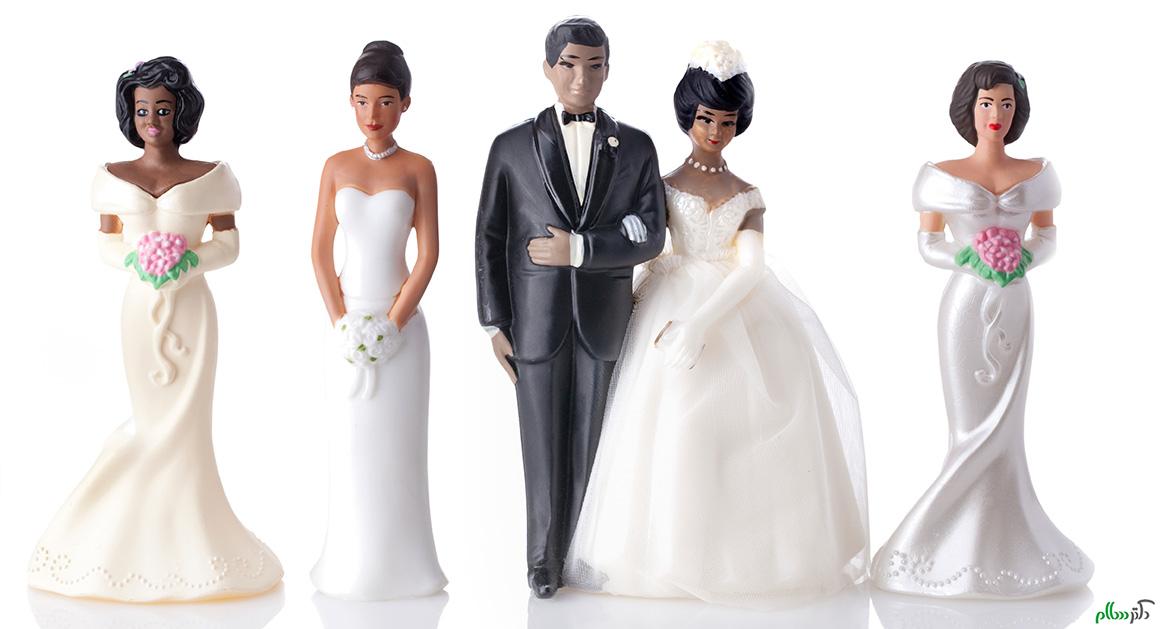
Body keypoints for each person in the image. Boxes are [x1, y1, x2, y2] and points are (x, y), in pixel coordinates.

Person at [563, 42, 869, 607]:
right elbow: (647, 248)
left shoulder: (746, 195)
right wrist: (628, 299)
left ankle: (749, 557)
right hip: (667, 302)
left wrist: (700, 322)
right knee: (672, 425)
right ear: (689, 116)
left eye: (727, 122)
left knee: (739, 427)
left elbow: (750, 268)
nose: (716, 132)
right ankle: (664, 554)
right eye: (706, 119)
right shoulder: (659, 184)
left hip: (732, 311)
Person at [27, 56, 283, 602]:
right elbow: (105, 241)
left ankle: (191, 539)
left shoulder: (213, 177)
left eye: (162, 109)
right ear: (130, 113)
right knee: (150, 422)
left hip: (192, 312)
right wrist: (137, 261)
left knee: (186, 428)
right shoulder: (112, 177)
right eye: (142, 110)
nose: (152, 120)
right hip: (139, 310)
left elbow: (229, 244)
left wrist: (188, 263)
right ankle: (109, 536)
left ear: (180, 112)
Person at [871, 60, 1093, 598]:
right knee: (968, 426)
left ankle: (1008, 539)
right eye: (987, 103)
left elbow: (1047, 237)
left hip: (1015, 301)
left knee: (1007, 428)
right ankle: (934, 543)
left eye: (1007, 104)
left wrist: (1022, 258)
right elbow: (928, 244)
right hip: (965, 305)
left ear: (1018, 111)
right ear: (969, 109)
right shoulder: (940, 175)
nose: (997, 114)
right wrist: (971, 257)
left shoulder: (1037, 174)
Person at [475, 17, 666, 598]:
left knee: (595, 442)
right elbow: (489, 236)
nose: (581, 78)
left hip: (606, 320)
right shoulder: (511, 147)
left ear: (608, 70)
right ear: (548, 68)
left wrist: (582, 249)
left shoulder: (636, 147)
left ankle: (585, 555)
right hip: (534, 320)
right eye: (569, 65)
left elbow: (652, 235)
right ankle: (542, 559)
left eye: (594, 65)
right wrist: (495, 321)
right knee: (540, 445)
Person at [310, 41, 446, 600]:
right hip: (345, 328)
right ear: (350, 101)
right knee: (351, 448)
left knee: (397, 450)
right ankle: (348, 563)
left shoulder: (419, 169)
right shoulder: (335, 166)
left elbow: (428, 255)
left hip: (403, 330)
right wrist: (342, 323)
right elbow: (320, 252)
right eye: (362, 100)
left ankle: (405, 568)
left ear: (405, 103)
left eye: (386, 101)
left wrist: (392, 322)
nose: (372, 114)